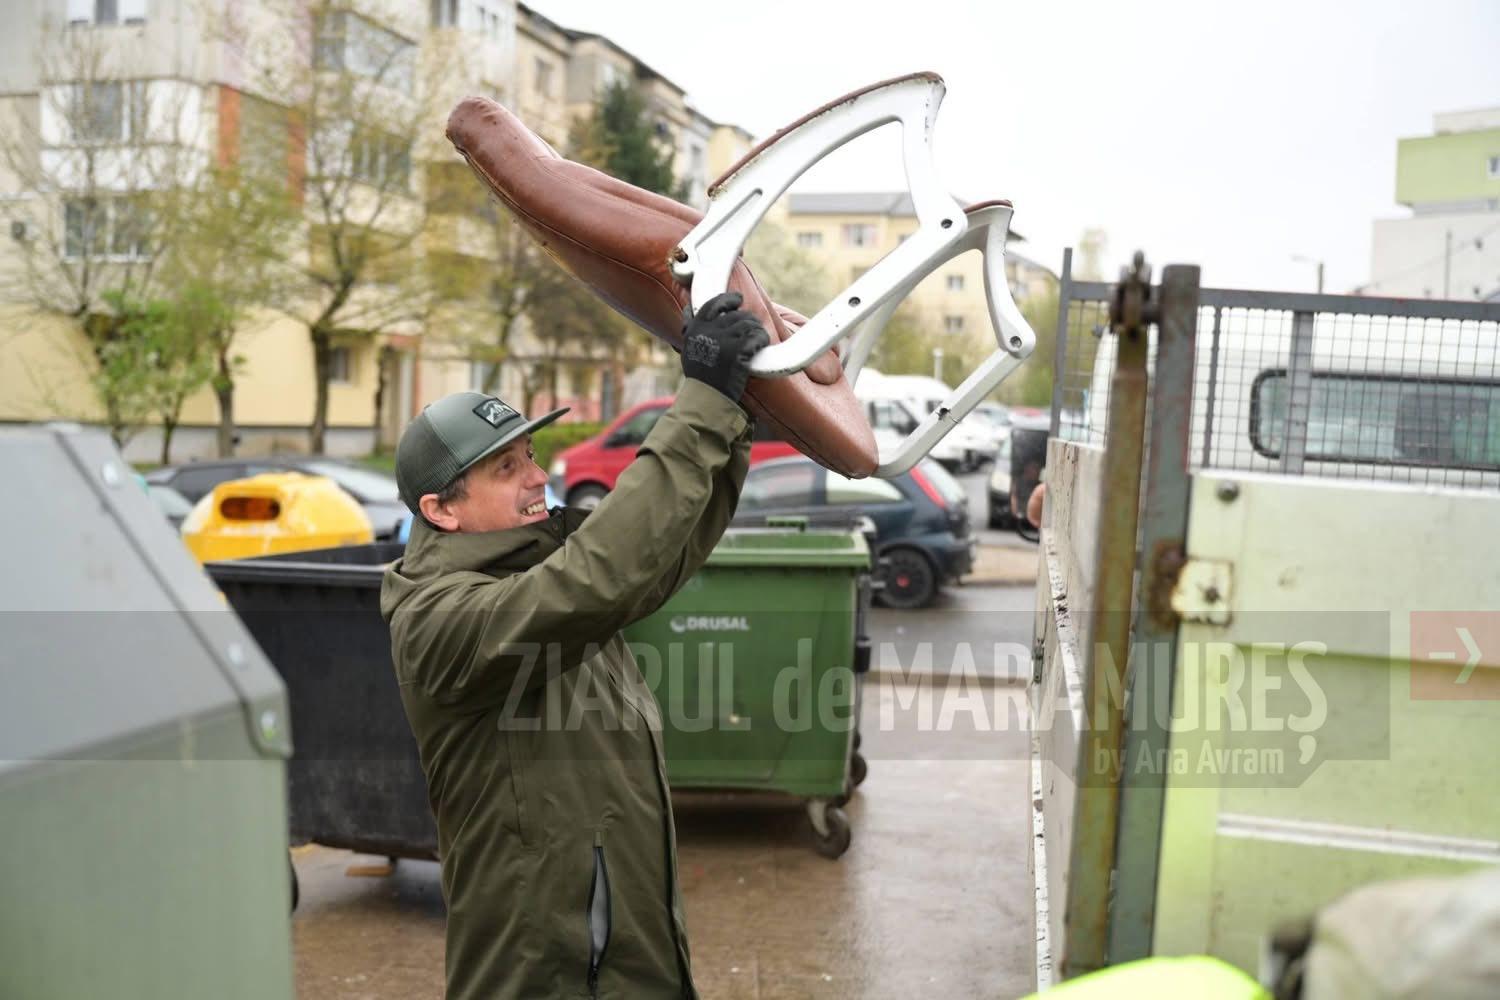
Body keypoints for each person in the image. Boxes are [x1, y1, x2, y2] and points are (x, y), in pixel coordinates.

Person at [380, 292, 769, 1000]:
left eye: (531, 456)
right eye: (506, 469)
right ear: (441, 509)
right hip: (551, 975)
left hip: (623, 955)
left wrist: (732, 421)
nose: (538, 477)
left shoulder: (536, 572)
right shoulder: (438, 621)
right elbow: (599, 576)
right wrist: (700, 406)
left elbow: (649, 561)